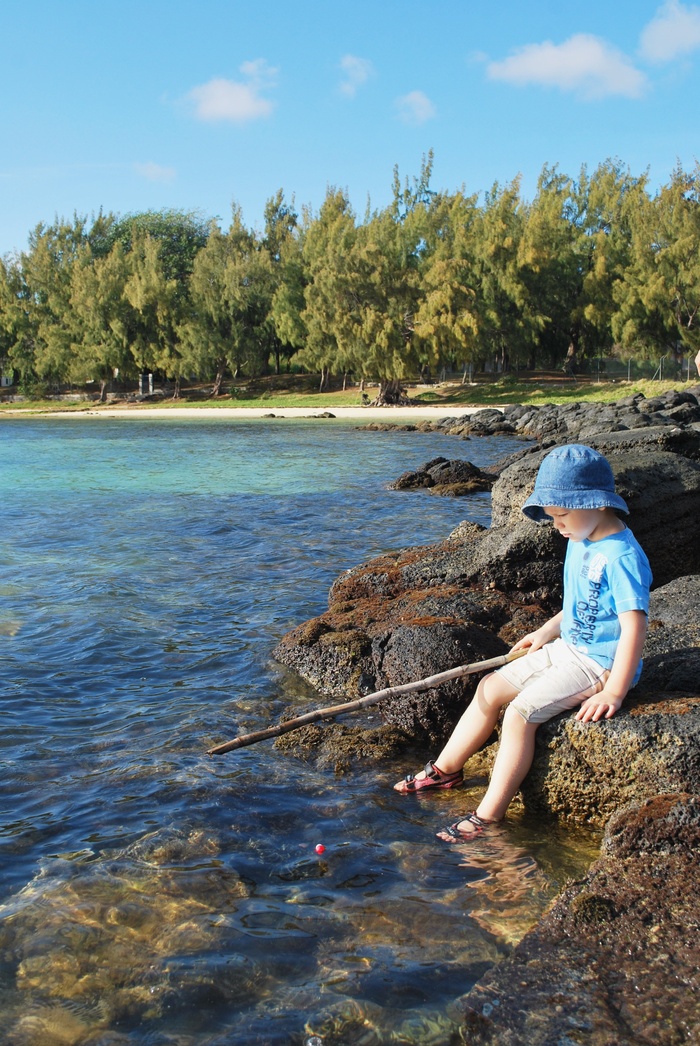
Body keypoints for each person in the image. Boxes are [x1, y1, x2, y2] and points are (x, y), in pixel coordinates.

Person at [394, 443, 652, 843]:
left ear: (597, 503)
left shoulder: (622, 557)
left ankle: (488, 816)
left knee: (519, 714)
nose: (557, 525)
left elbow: (633, 624)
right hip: (567, 648)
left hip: (598, 664)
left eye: (562, 515)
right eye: (552, 517)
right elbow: (582, 602)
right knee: (490, 686)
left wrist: (616, 690)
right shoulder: (581, 537)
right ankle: (446, 770)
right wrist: (546, 632)